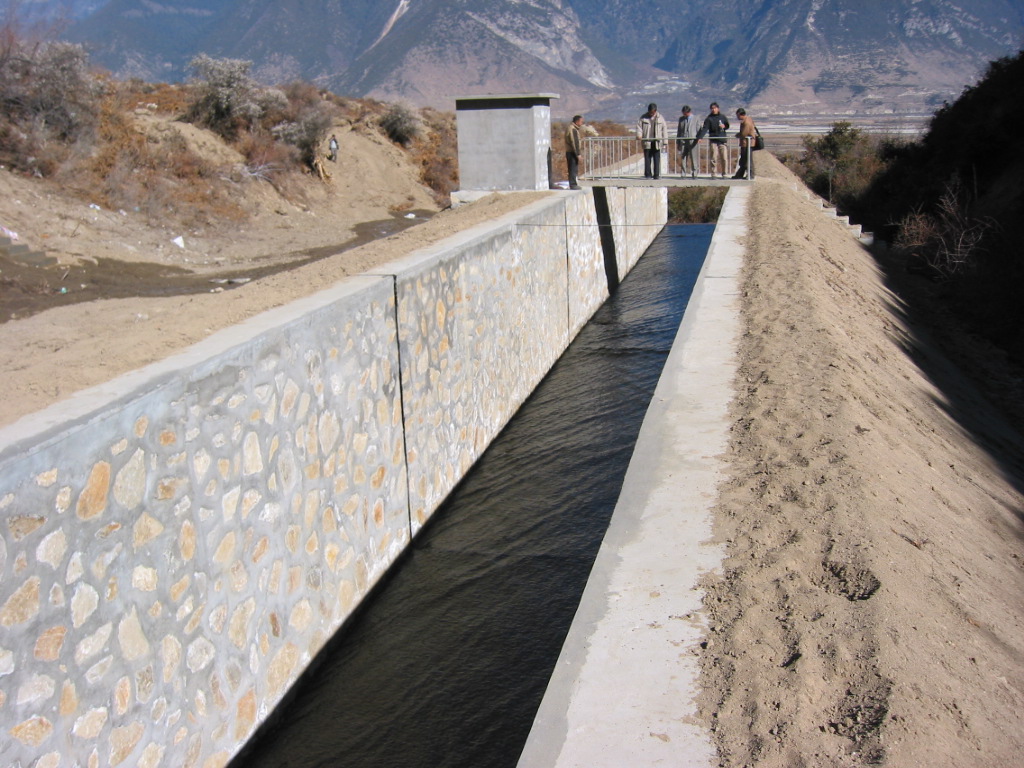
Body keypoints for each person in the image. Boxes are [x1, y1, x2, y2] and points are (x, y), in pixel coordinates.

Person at [696, 102, 730, 178]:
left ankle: (725, 173)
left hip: (722, 140)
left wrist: (724, 126)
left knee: (724, 157)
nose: (713, 110)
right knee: (713, 157)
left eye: (715, 108)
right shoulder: (709, 118)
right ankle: (714, 173)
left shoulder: (722, 117)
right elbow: (705, 128)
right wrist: (700, 137)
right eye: (712, 108)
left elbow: (727, 125)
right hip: (713, 140)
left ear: (718, 108)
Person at [636, 103, 667, 179]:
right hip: (647, 141)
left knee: (656, 159)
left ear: (655, 111)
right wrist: (639, 135)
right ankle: (648, 174)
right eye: (650, 112)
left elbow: (664, 130)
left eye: (652, 112)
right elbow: (639, 127)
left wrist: (665, 142)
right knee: (647, 158)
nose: (651, 114)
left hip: (657, 141)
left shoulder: (660, 118)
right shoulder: (643, 118)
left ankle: (656, 174)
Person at [733, 108, 757, 179]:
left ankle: (750, 175)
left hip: (747, 143)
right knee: (743, 160)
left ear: (740, 115)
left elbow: (744, 134)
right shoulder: (748, 119)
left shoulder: (746, 122)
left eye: (737, 115)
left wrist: (738, 135)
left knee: (747, 160)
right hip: (746, 143)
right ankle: (740, 174)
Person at [676, 105, 699, 178]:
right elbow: (679, 131)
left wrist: (699, 138)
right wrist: (678, 142)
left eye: (685, 113)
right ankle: (683, 172)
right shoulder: (681, 119)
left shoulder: (696, 119)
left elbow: (699, 129)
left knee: (693, 157)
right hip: (683, 141)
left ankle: (694, 172)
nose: (684, 115)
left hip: (692, 140)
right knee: (683, 157)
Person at [565, 115, 584, 190]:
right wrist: (578, 154)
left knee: (573, 168)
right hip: (572, 152)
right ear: (577, 121)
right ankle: (573, 184)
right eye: (581, 121)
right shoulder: (572, 129)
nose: (582, 123)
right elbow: (574, 142)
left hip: (571, 152)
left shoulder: (573, 128)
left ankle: (573, 183)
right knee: (572, 168)